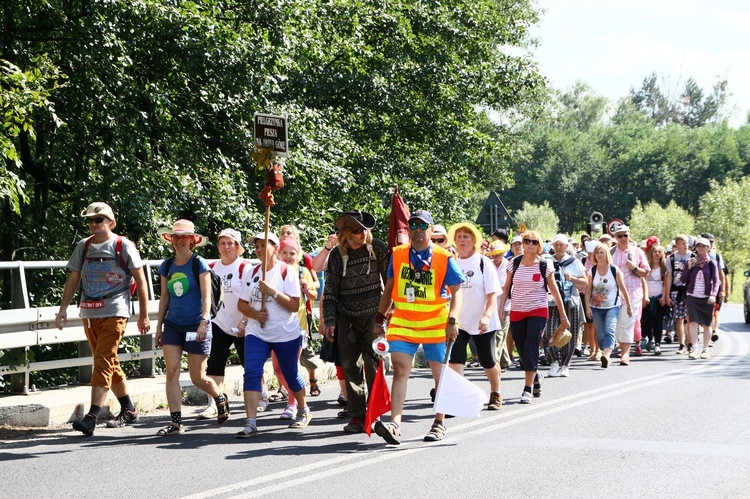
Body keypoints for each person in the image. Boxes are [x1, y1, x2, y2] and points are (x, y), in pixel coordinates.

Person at [55, 202, 150, 435]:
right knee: (107, 360)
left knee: (103, 360)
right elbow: (74, 278)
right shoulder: (84, 246)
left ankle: (92, 416)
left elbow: (142, 279)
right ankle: (129, 408)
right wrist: (63, 308)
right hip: (89, 311)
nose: (93, 224)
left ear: (111, 222)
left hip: (115, 309)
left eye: (98, 220)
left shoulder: (122, 245)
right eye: (90, 220)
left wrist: (144, 315)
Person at [373, 210, 464, 443]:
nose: (418, 230)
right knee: (401, 371)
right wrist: (380, 318)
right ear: (408, 230)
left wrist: (452, 320)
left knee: (438, 375)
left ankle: (439, 422)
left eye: (423, 226)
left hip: (435, 324)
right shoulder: (399, 254)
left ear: (431, 230)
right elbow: (389, 289)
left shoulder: (444, 257)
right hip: (404, 322)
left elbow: (457, 293)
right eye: (413, 225)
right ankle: (395, 424)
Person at [154, 219, 229, 436]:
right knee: (172, 372)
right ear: (171, 240)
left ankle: (219, 398)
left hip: (197, 324)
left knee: (198, 377)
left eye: (184, 237)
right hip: (173, 325)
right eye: (176, 237)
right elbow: (164, 298)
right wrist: (159, 327)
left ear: (192, 240)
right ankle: (176, 423)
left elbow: (207, 297)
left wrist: (204, 322)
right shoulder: (166, 266)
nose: (179, 241)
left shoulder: (199, 263)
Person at [236, 232, 312, 437]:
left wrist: (273, 292)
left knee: (290, 375)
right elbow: (241, 304)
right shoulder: (251, 273)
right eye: (257, 246)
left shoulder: (287, 272)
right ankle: (251, 422)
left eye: (263, 245)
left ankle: (303, 409)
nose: (259, 249)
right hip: (256, 332)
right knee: (251, 372)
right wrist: (254, 314)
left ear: (275, 249)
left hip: (285, 333)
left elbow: (294, 305)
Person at [323, 210, 389, 433]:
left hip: (374, 314)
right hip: (347, 316)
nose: (363, 233)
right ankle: (357, 416)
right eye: (358, 230)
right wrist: (330, 320)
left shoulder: (378, 248)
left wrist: (388, 313)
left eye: (365, 229)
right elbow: (330, 291)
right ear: (346, 233)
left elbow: (389, 281)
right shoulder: (335, 256)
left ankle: (375, 413)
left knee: (373, 364)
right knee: (350, 366)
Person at [498, 230, 569, 404]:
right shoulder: (513, 263)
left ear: (539, 246)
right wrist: (501, 308)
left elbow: (554, 291)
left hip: (537, 310)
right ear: (522, 243)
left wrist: (563, 316)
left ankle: (527, 389)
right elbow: (506, 288)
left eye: (534, 242)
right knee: (522, 350)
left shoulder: (545, 265)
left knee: (531, 346)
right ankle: (536, 375)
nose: (530, 244)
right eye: (527, 241)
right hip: (517, 311)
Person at [448, 222, 503, 410]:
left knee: (487, 360)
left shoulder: (483, 262)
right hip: (459, 321)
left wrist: (487, 316)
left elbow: (492, 294)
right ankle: (460, 398)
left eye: (466, 237)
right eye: (459, 237)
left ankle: (495, 392)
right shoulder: (451, 262)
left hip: (482, 321)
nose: (462, 240)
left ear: (474, 241)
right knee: (456, 359)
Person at [199, 229, 252, 419]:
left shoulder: (245, 267)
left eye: (231, 243)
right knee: (215, 363)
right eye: (222, 243)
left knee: (250, 364)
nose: (226, 247)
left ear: (238, 247)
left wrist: (245, 321)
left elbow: (253, 297)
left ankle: (259, 396)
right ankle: (214, 403)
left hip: (243, 323)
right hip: (219, 323)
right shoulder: (211, 267)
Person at [280, 224, 322, 397]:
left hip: (301, 320)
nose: (288, 256)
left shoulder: (303, 269)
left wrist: (306, 288)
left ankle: (312, 380)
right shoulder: (275, 270)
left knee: (307, 355)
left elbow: (314, 294)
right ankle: (286, 389)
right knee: (284, 358)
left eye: (292, 254)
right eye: (284, 253)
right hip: (280, 322)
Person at [546, 234, 587, 377]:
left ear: (566, 246)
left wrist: (573, 279)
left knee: (571, 332)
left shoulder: (573, 262)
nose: (558, 247)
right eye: (556, 244)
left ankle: (565, 364)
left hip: (570, 301)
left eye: (561, 245)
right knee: (549, 331)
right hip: (551, 301)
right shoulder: (547, 261)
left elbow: (585, 282)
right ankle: (554, 361)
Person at [585, 243, 632, 368]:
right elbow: (588, 290)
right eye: (597, 253)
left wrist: (629, 305)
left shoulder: (614, 270)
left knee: (609, 329)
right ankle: (605, 350)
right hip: (596, 306)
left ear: (607, 254)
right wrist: (587, 307)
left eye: (602, 252)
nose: (600, 255)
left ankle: (606, 355)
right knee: (600, 334)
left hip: (612, 305)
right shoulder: (592, 270)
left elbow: (623, 288)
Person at [611, 225, 650, 365]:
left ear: (629, 235)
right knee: (616, 325)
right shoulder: (611, 253)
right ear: (615, 238)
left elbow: (646, 273)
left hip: (633, 293)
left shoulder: (637, 252)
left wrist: (634, 267)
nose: (623, 239)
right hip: (614, 294)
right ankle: (621, 348)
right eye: (619, 236)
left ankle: (625, 354)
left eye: (625, 235)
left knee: (627, 324)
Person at [681, 237, 720, 359]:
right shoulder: (691, 262)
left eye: (704, 246)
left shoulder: (711, 263)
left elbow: (716, 281)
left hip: (707, 298)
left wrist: (713, 295)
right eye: (699, 246)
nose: (701, 248)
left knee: (707, 324)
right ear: (696, 248)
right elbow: (683, 279)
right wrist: (688, 267)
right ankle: (694, 349)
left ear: (708, 248)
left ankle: (706, 350)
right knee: (692, 322)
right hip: (692, 296)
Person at [663, 234, 693, 353]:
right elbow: (668, 277)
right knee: (679, 319)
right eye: (683, 243)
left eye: (687, 243)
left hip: (690, 291)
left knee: (690, 319)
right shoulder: (671, 258)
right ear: (677, 245)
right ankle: (681, 345)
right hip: (677, 290)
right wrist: (667, 295)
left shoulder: (693, 256)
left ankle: (691, 343)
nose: (686, 245)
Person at [487, 241, 512, 370]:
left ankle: (493, 362)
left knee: (500, 334)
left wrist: (501, 308)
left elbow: (504, 288)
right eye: (493, 255)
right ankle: (505, 361)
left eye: (499, 255)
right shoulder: (489, 265)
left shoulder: (508, 266)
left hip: (505, 305)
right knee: (497, 333)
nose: (496, 258)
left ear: (503, 254)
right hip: (492, 305)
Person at [642, 244, 667, 355]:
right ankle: (649, 339)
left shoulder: (664, 268)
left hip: (659, 297)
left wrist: (664, 296)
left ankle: (657, 344)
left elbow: (666, 283)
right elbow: (643, 281)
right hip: (647, 297)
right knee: (646, 321)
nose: (657, 254)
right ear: (651, 253)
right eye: (655, 251)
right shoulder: (646, 267)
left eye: (659, 252)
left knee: (658, 322)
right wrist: (644, 296)